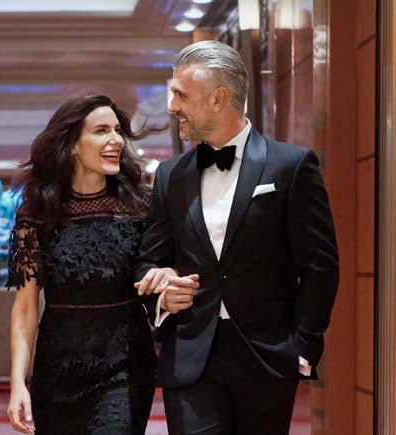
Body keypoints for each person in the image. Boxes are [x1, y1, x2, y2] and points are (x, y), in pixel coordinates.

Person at [134, 40, 340, 434]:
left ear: (218, 98)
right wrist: (161, 294)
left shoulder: (292, 166)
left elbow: (320, 266)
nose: (171, 106)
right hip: (191, 357)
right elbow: (148, 260)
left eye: (180, 94)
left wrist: (303, 346)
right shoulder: (170, 176)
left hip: (267, 357)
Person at [5, 94, 159, 434]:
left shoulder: (140, 205)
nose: (116, 140)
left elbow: (160, 267)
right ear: (72, 144)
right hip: (56, 371)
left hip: (125, 367)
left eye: (117, 130)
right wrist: (17, 382)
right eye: (102, 131)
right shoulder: (36, 213)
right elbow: (25, 306)